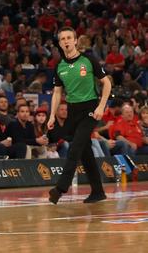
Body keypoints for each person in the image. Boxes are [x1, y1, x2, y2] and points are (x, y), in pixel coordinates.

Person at [47, 27, 112, 204]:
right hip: (72, 111)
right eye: (63, 39)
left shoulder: (89, 60)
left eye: (69, 38)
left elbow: (106, 84)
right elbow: (57, 93)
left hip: (90, 108)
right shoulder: (59, 66)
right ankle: (98, 191)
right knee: (85, 152)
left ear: (75, 41)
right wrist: (52, 115)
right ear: (60, 43)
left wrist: (101, 106)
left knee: (75, 147)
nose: (66, 41)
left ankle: (60, 189)